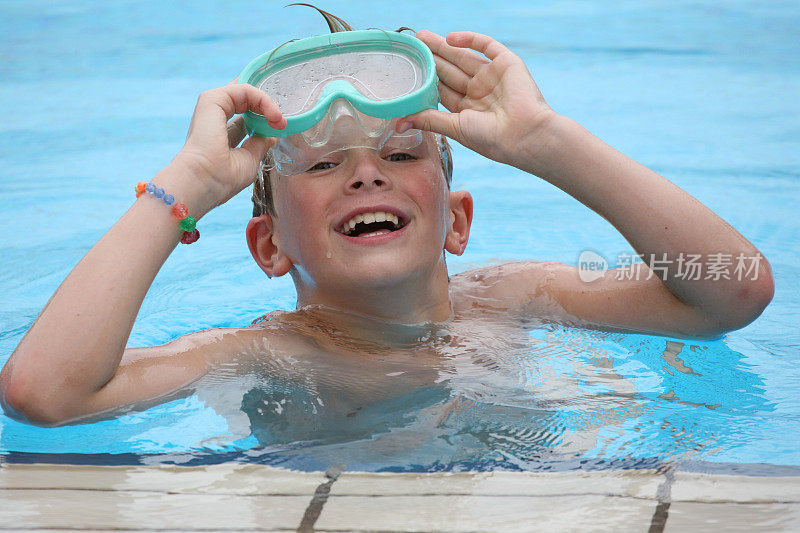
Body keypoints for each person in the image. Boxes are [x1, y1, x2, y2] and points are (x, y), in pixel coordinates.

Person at [0, 22, 773, 427]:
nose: (367, 173)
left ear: (457, 221)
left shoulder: (517, 295)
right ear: (269, 247)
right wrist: (189, 186)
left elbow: (734, 292)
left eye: (402, 152)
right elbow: (43, 393)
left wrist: (546, 144)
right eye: (325, 166)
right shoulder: (261, 352)